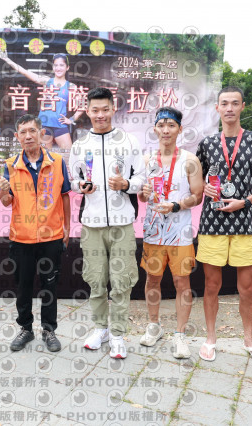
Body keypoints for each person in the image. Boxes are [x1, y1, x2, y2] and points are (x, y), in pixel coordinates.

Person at [195, 86, 252, 365]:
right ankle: (210, 338)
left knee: (247, 289)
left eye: (234, 103)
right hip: (212, 224)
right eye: (224, 103)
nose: (229, 108)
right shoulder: (207, 143)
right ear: (217, 108)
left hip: (245, 225)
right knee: (211, 286)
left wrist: (245, 201)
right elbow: (196, 181)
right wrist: (204, 187)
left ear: (243, 106)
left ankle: (249, 339)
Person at [68, 87, 145, 359]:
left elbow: (141, 180)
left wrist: (126, 184)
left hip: (122, 223)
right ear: (87, 111)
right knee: (96, 279)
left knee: (122, 281)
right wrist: (81, 186)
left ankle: (118, 334)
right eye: (95, 110)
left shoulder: (129, 141)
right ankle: (100, 328)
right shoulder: (79, 145)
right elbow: (73, 180)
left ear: (113, 109)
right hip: (92, 224)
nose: (100, 115)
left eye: (105, 109)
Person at [0, 114, 71, 352]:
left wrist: (67, 227)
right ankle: (25, 329)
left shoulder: (57, 162)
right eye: (23, 132)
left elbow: (64, 196)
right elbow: (7, 202)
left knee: (50, 285)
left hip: (51, 236)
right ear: (17, 136)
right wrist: (3, 191)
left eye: (32, 131)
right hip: (21, 237)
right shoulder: (11, 165)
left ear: (41, 133)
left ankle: (49, 330)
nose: (28, 136)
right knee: (23, 286)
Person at [137, 107, 204, 359]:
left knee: (181, 282)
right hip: (153, 231)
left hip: (180, 232)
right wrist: (143, 193)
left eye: (171, 125)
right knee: (152, 279)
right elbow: (142, 196)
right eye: (161, 125)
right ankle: (154, 325)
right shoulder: (146, 161)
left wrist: (176, 205)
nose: (166, 130)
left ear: (179, 129)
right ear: (155, 129)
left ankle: (180, 334)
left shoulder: (190, 160)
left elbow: (198, 196)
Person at [0, 50, 84, 150]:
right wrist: (6, 59)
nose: (58, 68)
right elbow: (24, 71)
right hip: (44, 125)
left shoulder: (71, 86)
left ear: (67, 67)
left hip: (60, 125)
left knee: (69, 154)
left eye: (61, 65)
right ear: (53, 67)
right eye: (56, 65)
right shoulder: (47, 81)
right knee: (46, 156)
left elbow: (82, 105)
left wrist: (71, 119)